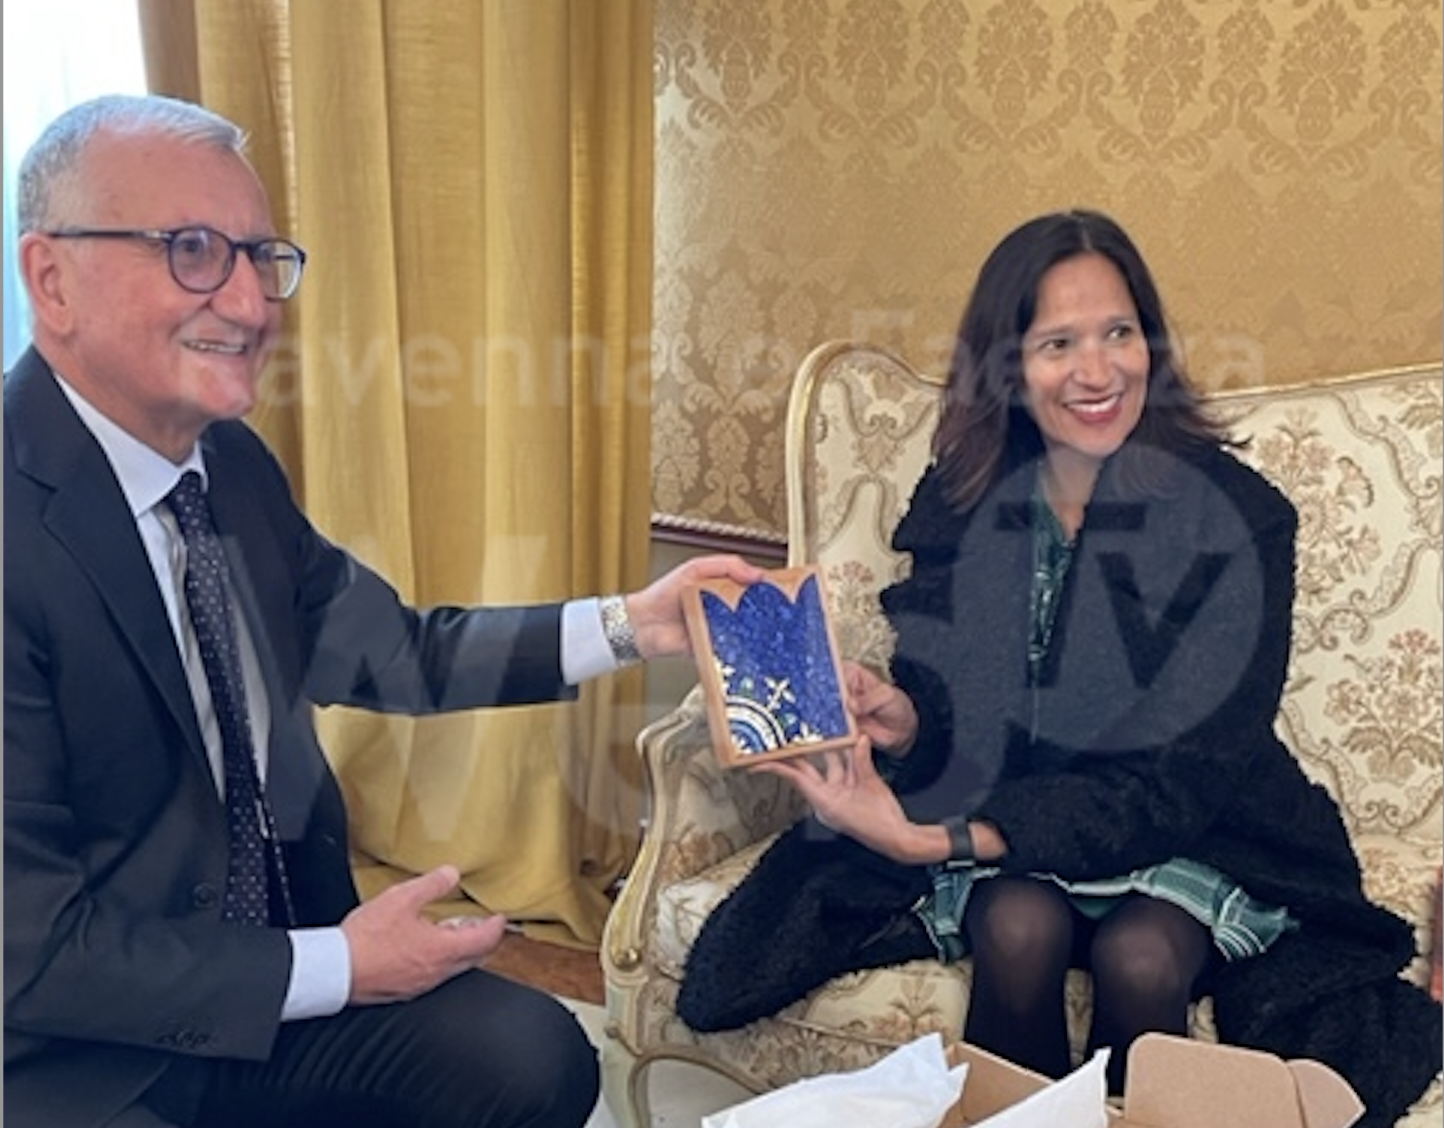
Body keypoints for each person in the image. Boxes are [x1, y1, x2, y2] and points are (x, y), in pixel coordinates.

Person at [3, 92, 764, 1128]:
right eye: (193, 251)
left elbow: (397, 652)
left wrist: (637, 622)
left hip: (266, 981)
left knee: (532, 1058)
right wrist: (342, 966)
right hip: (81, 1047)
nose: (249, 304)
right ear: (51, 278)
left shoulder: (229, 469)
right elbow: (28, 954)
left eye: (258, 256)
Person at [676, 210, 1441, 1125]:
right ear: (1007, 366)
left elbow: (1176, 783)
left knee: (1141, 956)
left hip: (1192, 825)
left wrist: (934, 840)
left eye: (1119, 333)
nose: (1098, 370)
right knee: (1016, 926)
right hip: (1020, 815)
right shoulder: (965, 494)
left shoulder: (1237, 519)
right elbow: (967, 710)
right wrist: (909, 721)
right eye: (1058, 344)